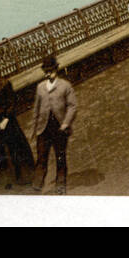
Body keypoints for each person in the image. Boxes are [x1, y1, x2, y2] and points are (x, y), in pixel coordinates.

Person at [0, 54, 35, 192]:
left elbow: (12, 103)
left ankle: (16, 179)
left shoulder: (5, 83)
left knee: (11, 149)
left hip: (4, 120)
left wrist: (5, 119)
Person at [31, 56, 77, 195]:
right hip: (43, 129)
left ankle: (60, 185)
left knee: (60, 157)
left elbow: (72, 106)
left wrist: (65, 123)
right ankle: (37, 186)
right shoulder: (40, 87)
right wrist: (34, 130)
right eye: (46, 71)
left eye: (51, 71)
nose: (48, 74)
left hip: (59, 128)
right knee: (41, 158)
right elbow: (36, 110)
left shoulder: (65, 86)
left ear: (56, 69)